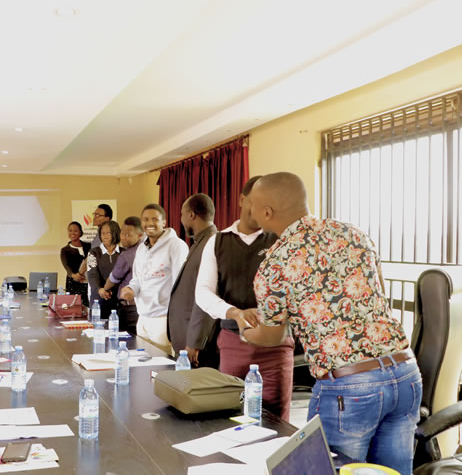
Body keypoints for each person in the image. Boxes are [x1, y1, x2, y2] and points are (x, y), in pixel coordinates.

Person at [240, 172, 420, 474]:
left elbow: (272, 337)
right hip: (405, 373)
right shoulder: (353, 233)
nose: (250, 211)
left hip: (350, 387)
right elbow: (377, 294)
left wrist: (247, 332)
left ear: (266, 212)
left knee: (332, 470)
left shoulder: (274, 263)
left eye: (252, 206)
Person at [194, 177, 293, 420]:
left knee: (277, 419)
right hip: (233, 342)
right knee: (232, 414)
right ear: (242, 200)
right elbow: (202, 292)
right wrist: (234, 313)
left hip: (276, 346)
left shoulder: (281, 240)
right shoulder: (218, 241)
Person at [120, 204, 188, 354]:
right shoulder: (142, 248)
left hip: (163, 319)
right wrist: (131, 289)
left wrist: (177, 320)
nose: (149, 223)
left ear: (164, 222)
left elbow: (182, 285)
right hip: (142, 317)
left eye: (154, 219)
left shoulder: (176, 246)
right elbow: (137, 278)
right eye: (145, 219)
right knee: (143, 363)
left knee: (163, 364)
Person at [166, 194, 219, 367]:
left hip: (197, 345)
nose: (181, 220)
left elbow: (208, 295)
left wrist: (195, 342)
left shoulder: (211, 244)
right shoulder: (200, 242)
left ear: (191, 215)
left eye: (182, 214)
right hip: (188, 338)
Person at [103, 216, 143, 334]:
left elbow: (113, 278)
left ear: (139, 235)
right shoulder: (147, 249)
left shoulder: (127, 255)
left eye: (128, 235)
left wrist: (105, 289)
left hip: (130, 309)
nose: (123, 238)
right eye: (122, 233)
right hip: (143, 308)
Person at [86, 220, 122, 319]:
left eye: (108, 233)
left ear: (115, 233)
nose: (105, 236)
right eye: (102, 233)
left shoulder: (123, 253)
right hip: (98, 299)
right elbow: (92, 274)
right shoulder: (94, 252)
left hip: (118, 300)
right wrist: (100, 290)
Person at [59, 221, 90, 305]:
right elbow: (66, 266)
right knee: (74, 307)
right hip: (73, 283)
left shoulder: (88, 246)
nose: (72, 233)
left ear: (80, 232)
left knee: (88, 306)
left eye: (75, 231)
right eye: (70, 230)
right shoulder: (65, 250)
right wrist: (75, 276)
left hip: (88, 282)